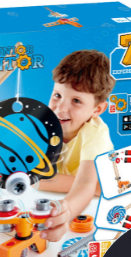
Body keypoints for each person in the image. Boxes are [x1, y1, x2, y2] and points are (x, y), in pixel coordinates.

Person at [39, 50, 115, 241]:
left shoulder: (96, 133)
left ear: (97, 109)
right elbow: (32, 177)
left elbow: (85, 184)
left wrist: (66, 212)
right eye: (57, 95)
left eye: (76, 101)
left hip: (94, 203)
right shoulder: (44, 123)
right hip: (83, 193)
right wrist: (94, 187)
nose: (60, 108)